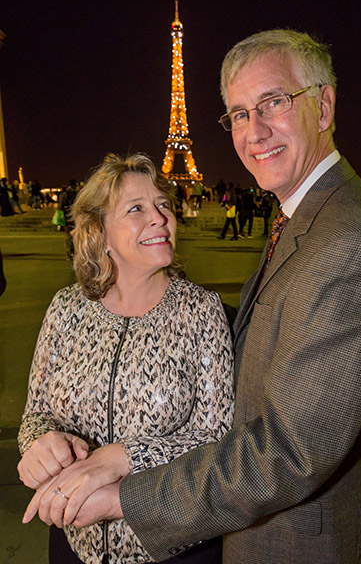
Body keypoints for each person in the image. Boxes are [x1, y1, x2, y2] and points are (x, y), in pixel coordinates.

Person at [24, 30, 361, 564]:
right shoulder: (309, 217)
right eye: (239, 113)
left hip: (291, 537)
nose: (255, 129)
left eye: (274, 102)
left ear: (324, 106)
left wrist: (122, 484)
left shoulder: (346, 244)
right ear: (97, 232)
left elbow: (287, 451)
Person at [17, 153, 234, 564]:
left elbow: (215, 436)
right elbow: (36, 413)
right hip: (72, 541)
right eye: (136, 209)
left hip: (173, 546)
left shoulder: (202, 311)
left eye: (163, 205)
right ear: (100, 232)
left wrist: (121, 458)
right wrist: (40, 446)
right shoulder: (66, 309)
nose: (160, 217)